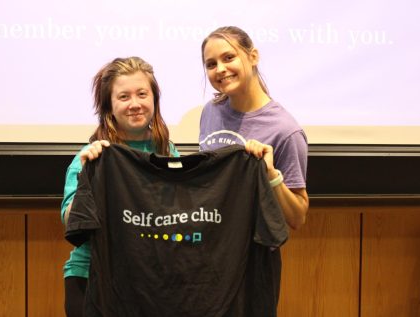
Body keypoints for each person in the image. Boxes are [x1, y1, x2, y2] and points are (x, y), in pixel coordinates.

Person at [60, 56, 179, 317]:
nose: (135, 104)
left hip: (150, 281)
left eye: (142, 94)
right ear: (109, 106)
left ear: (154, 99)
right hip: (92, 278)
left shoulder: (168, 153)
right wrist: (86, 178)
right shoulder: (91, 157)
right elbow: (70, 220)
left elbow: (180, 213)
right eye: (124, 97)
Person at [199, 26, 309, 230]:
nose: (220, 69)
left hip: (253, 255)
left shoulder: (285, 131)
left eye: (229, 57)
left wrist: (270, 174)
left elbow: (297, 217)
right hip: (210, 245)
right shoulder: (210, 112)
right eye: (211, 64)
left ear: (253, 57)